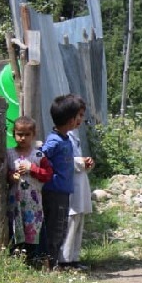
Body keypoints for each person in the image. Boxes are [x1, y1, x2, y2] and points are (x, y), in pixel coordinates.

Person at [39, 94, 83, 269]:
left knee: (60, 227)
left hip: (63, 191)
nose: (79, 120)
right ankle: (50, 263)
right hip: (55, 191)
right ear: (70, 120)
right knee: (55, 228)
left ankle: (52, 262)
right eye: (78, 116)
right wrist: (48, 171)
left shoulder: (65, 138)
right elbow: (41, 155)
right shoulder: (55, 141)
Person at [6, 116, 54, 260]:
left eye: (27, 134)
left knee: (34, 229)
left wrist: (32, 168)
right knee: (15, 228)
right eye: (19, 134)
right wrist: (12, 176)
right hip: (15, 205)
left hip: (33, 205)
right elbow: (4, 174)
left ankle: (36, 259)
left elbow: (48, 175)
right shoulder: (9, 154)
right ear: (14, 134)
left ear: (33, 135)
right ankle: (17, 258)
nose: (23, 138)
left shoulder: (38, 156)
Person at [60, 96, 95, 271]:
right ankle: (64, 260)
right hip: (70, 185)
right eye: (77, 115)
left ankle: (74, 258)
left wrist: (86, 163)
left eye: (82, 115)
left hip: (80, 183)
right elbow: (63, 161)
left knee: (79, 220)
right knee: (70, 221)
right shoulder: (61, 138)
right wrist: (80, 162)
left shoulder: (74, 135)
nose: (80, 119)